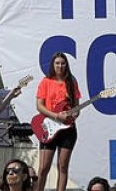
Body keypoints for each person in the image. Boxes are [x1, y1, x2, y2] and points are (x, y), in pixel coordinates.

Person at [34, 53, 82, 191]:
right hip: (49, 127)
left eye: (62, 63)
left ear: (66, 65)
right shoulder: (46, 81)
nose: (60, 66)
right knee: (44, 166)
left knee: (63, 165)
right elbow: (39, 106)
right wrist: (55, 116)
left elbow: (76, 107)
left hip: (67, 129)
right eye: (57, 63)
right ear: (53, 65)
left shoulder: (71, 83)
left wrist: (71, 115)